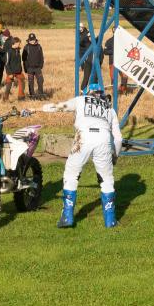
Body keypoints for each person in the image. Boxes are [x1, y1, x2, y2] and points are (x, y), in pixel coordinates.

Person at [51, 83, 122, 228]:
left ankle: (67, 217)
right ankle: (110, 221)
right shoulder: (110, 109)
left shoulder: (80, 100)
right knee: (106, 180)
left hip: (83, 138)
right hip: (103, 140)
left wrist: (37, 108)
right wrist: (115, 156)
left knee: (71, 175)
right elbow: (119, 139)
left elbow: (59, 106)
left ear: (87, 93)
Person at [104, 27, 128, 93]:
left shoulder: (123, 41)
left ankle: (122, 90)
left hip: (122, 62)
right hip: (112, 62)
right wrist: (114, 51)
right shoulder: (109, 41)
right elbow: (105, 51)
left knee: (125, 76)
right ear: (113, 31)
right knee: (113, 78)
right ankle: (114, 92)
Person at [22, 33, 45, 99]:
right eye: (31, 40)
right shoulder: (26, 47)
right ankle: (32, 95)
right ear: (28, 40)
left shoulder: (39, 47)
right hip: (30, 68)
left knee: (40, 80)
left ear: (35, 39)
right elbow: (24, 59)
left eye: (33, 40)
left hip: (38, 68)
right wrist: (26, 68)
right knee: (31, 82)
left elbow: (41, 57)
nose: (32, 41)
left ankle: (40, 94)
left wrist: (41, 65)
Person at [3, 37, 25, 101]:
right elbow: (6, 63)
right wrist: (9, 73)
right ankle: (5, 98)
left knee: (22, 83)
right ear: (14, 43)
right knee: (8, 85)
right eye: (18, 43)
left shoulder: (18, 51)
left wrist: (20, 69)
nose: (19, 44)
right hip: (11, 72)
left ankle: (21, 98)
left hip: (18, 71)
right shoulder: (8, 52)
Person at [79, 23, 92, 91]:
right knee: (86, 76)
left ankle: (91, 89)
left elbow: (91, 39)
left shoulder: (87, 32)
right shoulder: (79, 34)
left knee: (91, 75)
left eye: (81, 27)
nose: (79, 28)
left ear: (83, 27)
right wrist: (86, 36)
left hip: (89, 54)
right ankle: (83, 89)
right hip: (82, 54)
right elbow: (79, 42)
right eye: (79, 27)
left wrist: (89, 35)